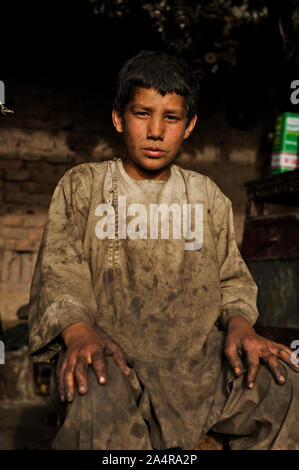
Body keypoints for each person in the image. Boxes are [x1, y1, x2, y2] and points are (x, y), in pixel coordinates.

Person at [28, 50, 299, 450]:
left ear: (188, 126)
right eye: (143, 114)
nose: (156, 131)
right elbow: (60, 272)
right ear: (119, 118)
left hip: (198, 364)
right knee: (94, 391)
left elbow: (233, 280)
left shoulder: (206, 195)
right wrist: (80, 333)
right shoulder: (82, 186)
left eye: (171, 118)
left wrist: (241, 327)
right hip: (113, 357)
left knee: (285, 386)